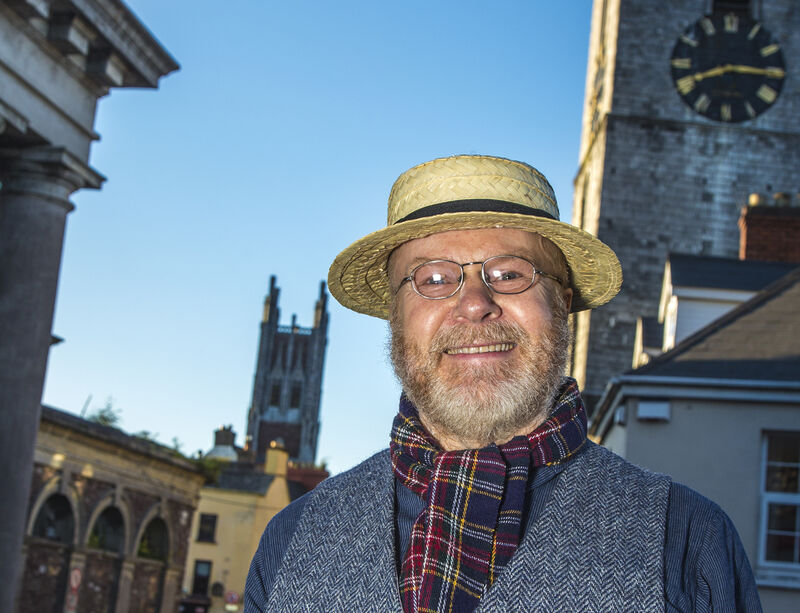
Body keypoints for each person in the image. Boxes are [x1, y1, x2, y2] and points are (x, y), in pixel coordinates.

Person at [244, 155, 761, 612]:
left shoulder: (693, 540)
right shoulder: (290, 540)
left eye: (511, 273)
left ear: (562, 305)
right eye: (434, 279)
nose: (474, 303)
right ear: (395, 319)